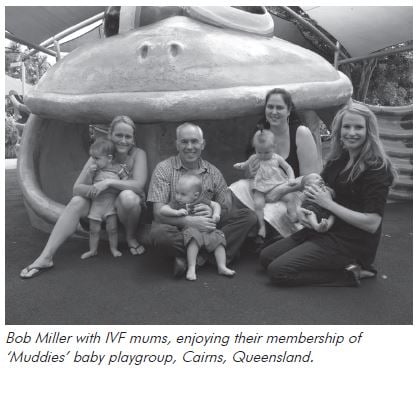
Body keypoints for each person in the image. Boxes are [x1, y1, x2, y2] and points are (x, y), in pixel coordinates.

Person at [260, 103, 396, 286]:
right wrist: (303, 211)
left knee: (278, 271)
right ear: (339, 131)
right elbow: (318, 192)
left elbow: (371, 223)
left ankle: (353, 271)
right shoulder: (338, 160)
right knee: (265, 257)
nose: (351, 132)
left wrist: (328, 204)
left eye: (358, 127)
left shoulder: (377, 169)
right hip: (325, 229)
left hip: (351, 241)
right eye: (347, 127)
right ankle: (324, 261)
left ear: (369, 131)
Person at [20, 115, 147, 278]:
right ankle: (46, 256)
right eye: (119, 135)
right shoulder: (100, 154)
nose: (123, 140)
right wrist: (94, 185)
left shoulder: (138, 154)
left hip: (124, 208)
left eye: (127, 136)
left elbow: (138, 184)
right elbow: (77, 188)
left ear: (133, 138)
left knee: (128, 197)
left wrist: (108, 182)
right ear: (110, 135)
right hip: (100, 205)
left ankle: (130, 237)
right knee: (76, 202)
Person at [147, 122, 257, 277]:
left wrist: (212, 210)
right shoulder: (163, 169)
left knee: (248, 217)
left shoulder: (213, 172)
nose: (190, 146)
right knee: (159, 234)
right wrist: (188, 221)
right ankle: (215, 254)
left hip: (209, 226)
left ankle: (194, 259)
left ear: (202, 144)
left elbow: (226, 207)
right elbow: (158, 213)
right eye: (184, 142)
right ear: (177, 144)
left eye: (194, 141)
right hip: (178, 228)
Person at [229, 88, 320, 240]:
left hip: (293, 192)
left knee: (271, 211)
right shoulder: (261, 134)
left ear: (289, 110)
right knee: (235, 190)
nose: (274, 111)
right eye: (270, 107)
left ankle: (269, 236)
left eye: (279, 107)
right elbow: (251, 169)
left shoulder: (301, 133)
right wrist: (249, 171)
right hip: (264, 187)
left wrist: (281, 190)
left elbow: (312, 178)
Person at [160, 173, 235, 281]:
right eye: (177, 193)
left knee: (219, 240)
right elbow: (162, 210)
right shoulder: (178, 203)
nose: (178, 196)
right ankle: (191, 267)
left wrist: (216, 214)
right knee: (193, 240)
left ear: (195, 195)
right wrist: (175, 212)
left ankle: (222, 266)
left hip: (208, 231)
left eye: (183, 194)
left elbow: (216, 205)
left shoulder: (201, 200)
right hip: (191, 231)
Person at [234, 129, 297, 241]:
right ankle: (262, 226)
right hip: (261, 187)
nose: (262, 155)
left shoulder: (276, 158)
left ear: (273, 147)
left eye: (266, 152)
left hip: (276, 183)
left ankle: (292, 215)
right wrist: (240, 165)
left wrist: (291, 178)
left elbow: (287, 167)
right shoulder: (254, 157)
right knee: (258, 204)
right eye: (259, 152)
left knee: (290, 197)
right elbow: (246, 164)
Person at [80, 138, 128, 259]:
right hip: (97, 205)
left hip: (111, 204)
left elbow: (127, 182)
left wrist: (117, 186)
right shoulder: (94, 170)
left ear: (109, 158)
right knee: (93, 230)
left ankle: (113, 248)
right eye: (92, 157)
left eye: (97, 158)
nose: (93, 161)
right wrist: (89, 174)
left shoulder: (119, 168)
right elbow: (86, 185)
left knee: (112, 229)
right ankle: (93, 250)